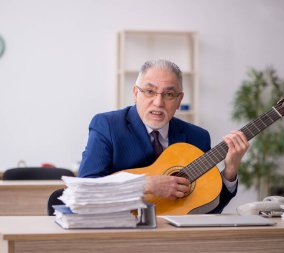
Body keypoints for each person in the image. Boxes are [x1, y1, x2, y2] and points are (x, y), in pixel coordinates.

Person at [79, 59, 249, 213]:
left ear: (179, 100)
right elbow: (86, 188)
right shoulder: (107, 125)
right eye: (149, 91)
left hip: (177, 238)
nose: (158, 102)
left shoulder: (198, 137)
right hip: (121, 232)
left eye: (168, 94)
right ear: (136, 93)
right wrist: (146, 185)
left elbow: (208, 208)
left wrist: (230, 170)